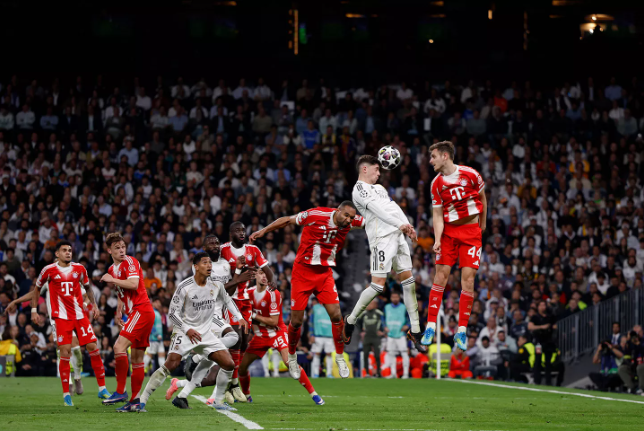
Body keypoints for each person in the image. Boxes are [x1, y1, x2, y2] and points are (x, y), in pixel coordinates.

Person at [249, 202, 364, 379]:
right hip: (303, 272)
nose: (349, 220)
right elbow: (287, 220)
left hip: (324, 273)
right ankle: (293, 356)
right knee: (296, 321)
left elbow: (373, 222)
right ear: (338, 211)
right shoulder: (316, 214)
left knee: (336, 315)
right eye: (346, 216)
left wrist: (399, 226)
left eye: (351, 217)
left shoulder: (351, 221)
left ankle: (340, 356)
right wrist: (264, 230)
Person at [136, 252, 241, 411]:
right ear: (196, 267)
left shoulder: (216, 284)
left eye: (210, 263)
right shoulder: (185, 287)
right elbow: (172, 313)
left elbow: (227, 299)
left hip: (205, 334)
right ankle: (142, 400)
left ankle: (218, 401)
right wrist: (187, 329)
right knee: (170, 364)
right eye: (205, 263)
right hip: (185, 332)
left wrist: (239, 317)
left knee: (228, 364)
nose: (209, 266)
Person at [345, 155, 424, 352]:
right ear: (365, 169)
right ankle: (351, 320)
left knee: (409, 281)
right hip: (381, 238)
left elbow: (392, 207)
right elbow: (377, 210)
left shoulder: (380, 188)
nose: (379, 173)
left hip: (398, 236)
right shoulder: (359, 189)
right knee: (378, 286)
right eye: (376, 169)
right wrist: (401, 225)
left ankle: (415, 331)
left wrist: (406, 225)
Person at [170, 234, 254, 404]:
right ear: (204, 248)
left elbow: (226, 293)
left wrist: (237, 273)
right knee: (233, 340)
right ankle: (220, 390)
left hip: (220, 313)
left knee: (218, 360)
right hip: (209, 314)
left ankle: (183, 391)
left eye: (217, 242)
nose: (215, 245)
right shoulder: (203, 266)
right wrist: (238, 280)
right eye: (211, 243)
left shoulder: (224, 265)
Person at [421, 140, 487, 351]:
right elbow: (438, 215)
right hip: (449, 233)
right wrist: (438, 239)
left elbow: (483, 199)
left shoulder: (471, 174)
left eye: (433, 156)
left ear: (445, 156)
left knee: (468, 281)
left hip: (471, 233)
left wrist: (481, 226)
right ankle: (430, 325)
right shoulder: (436, 184)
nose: (430, 161)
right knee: (440, 276)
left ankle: (461, 331)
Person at [32, 241, 109, 406]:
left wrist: (94, 305)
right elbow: (37, 288)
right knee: (65, 353)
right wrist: (33, 310)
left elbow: (88, 288)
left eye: (69, 250)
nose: (68, 253)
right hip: (61, 318)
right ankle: (66, 394)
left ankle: (102, 388)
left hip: (80, 316)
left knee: (93, 347)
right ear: (57, 254)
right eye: (64, 250)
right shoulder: (49, 270)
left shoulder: (80, 269)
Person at [238, 270, 324, 405]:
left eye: (266, 273)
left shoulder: (274, 294)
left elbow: (273, 321)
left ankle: (314, 394)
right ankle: (247, 396)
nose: (264, 275)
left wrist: (252, 316)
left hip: (277, 333)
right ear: (255, 275)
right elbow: (242, 315)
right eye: (261, 273)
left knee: (289, 363)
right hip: (260, 336)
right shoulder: (247, 294)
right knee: (242, 367)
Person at [220, 222, 275, 401]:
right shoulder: (223, 250)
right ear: (230, 233)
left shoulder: (254, 250)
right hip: (229, 299)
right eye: (237, 230)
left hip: (245, 300)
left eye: (243, 230)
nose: (242, 233)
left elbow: (267, 270)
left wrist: (271, 280)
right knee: (235, 338)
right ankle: (231, 383)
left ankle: (232, 382)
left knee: (243, 341)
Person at [100, 233, 155, 411]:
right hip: (138, 313)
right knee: (137, 359)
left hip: (141, 310)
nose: (122, 250)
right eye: (117, 248)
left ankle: (120, 390)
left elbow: (132, 284)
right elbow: (121, 290)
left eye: (123, 246)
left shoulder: (130, 262)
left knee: (118, 348)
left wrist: (111, 280)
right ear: (109, 250)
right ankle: (135, 402)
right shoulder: (111, 269)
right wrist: (118, 310)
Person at [527, 300, 557, 386]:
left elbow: (555, 326)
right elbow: (530, 327)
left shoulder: (550, 317)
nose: (543, 307)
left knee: (548, 362)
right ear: (538, 307)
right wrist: (542, 327)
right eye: (541, 305)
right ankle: (537, 381)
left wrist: (551, 327)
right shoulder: (535, 317)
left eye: (544, 305)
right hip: (539, 341)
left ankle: (548, 382)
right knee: (538, 361)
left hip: (549, 341)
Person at [384, 291, 410, 379]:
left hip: (400, 334)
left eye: (396, 297)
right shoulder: (386, 307)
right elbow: (383, 318)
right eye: (393, 297)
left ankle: (406, 373)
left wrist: (408, 325)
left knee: (404, 353)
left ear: (399, 298)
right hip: (390, 334)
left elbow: (410, 317)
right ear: (391, 298)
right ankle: (393, 373)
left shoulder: (403, 307)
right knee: (391, 354)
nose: (395, 299)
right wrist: (384, 326)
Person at [308, 297, 335, 378]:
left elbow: (335, 321)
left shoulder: (332, 307)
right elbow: (311, 321)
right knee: (317, 353)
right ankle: (316, 373)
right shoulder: (315, 307)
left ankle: (329, 373)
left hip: (329, 335)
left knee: (329, 354)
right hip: (318, 334)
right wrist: (311, 334)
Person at [358, 299, 384, 378]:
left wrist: (382, 331)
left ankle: (379, 373)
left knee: (377, 355)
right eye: (368, 304)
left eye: (371, 304)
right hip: (367, 337)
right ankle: (367, 373)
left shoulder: (379, 313)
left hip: (376, 337)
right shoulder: (363, 314)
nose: (369, 306)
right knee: (365, 354)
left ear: (375, 305)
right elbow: (358, 322)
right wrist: (361, 331)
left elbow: (383, 322)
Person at [143, 298, 166, 374]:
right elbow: (150, 325)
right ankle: (141, 370)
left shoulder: (157, 313)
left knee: (161, 355)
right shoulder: (152, 312)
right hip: (154, 339)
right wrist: (157, 334)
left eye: (159, 303)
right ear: (153, 303)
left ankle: (163, 372)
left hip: (159, 339)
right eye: (157, 303)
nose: (159, 305)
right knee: (149, 355)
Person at [618, 331, 644, 395]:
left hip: (642, 365)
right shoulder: (630, 344)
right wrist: (628, 341)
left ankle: (642, 388)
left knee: (640, 367)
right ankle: (632, 388)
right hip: (634, 365)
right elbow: (627, 353)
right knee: (622, 369)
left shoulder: (642, 341)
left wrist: (638, 343)